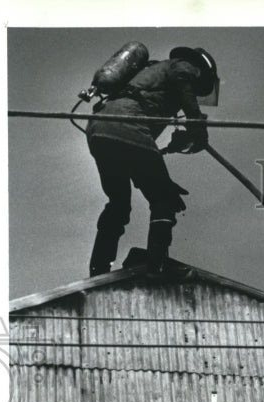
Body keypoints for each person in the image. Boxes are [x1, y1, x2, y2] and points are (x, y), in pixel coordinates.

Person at [86, 46, 219, 277]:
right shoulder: (183, 66)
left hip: (100, 129)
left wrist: (180, 142)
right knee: (164, 199)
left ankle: (99, 269)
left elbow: (140, 152)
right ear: (202, 69)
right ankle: (156, 267)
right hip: (128, 126)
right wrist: (198, 128)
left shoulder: (151, 73)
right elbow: (184, 89)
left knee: (118, 204)